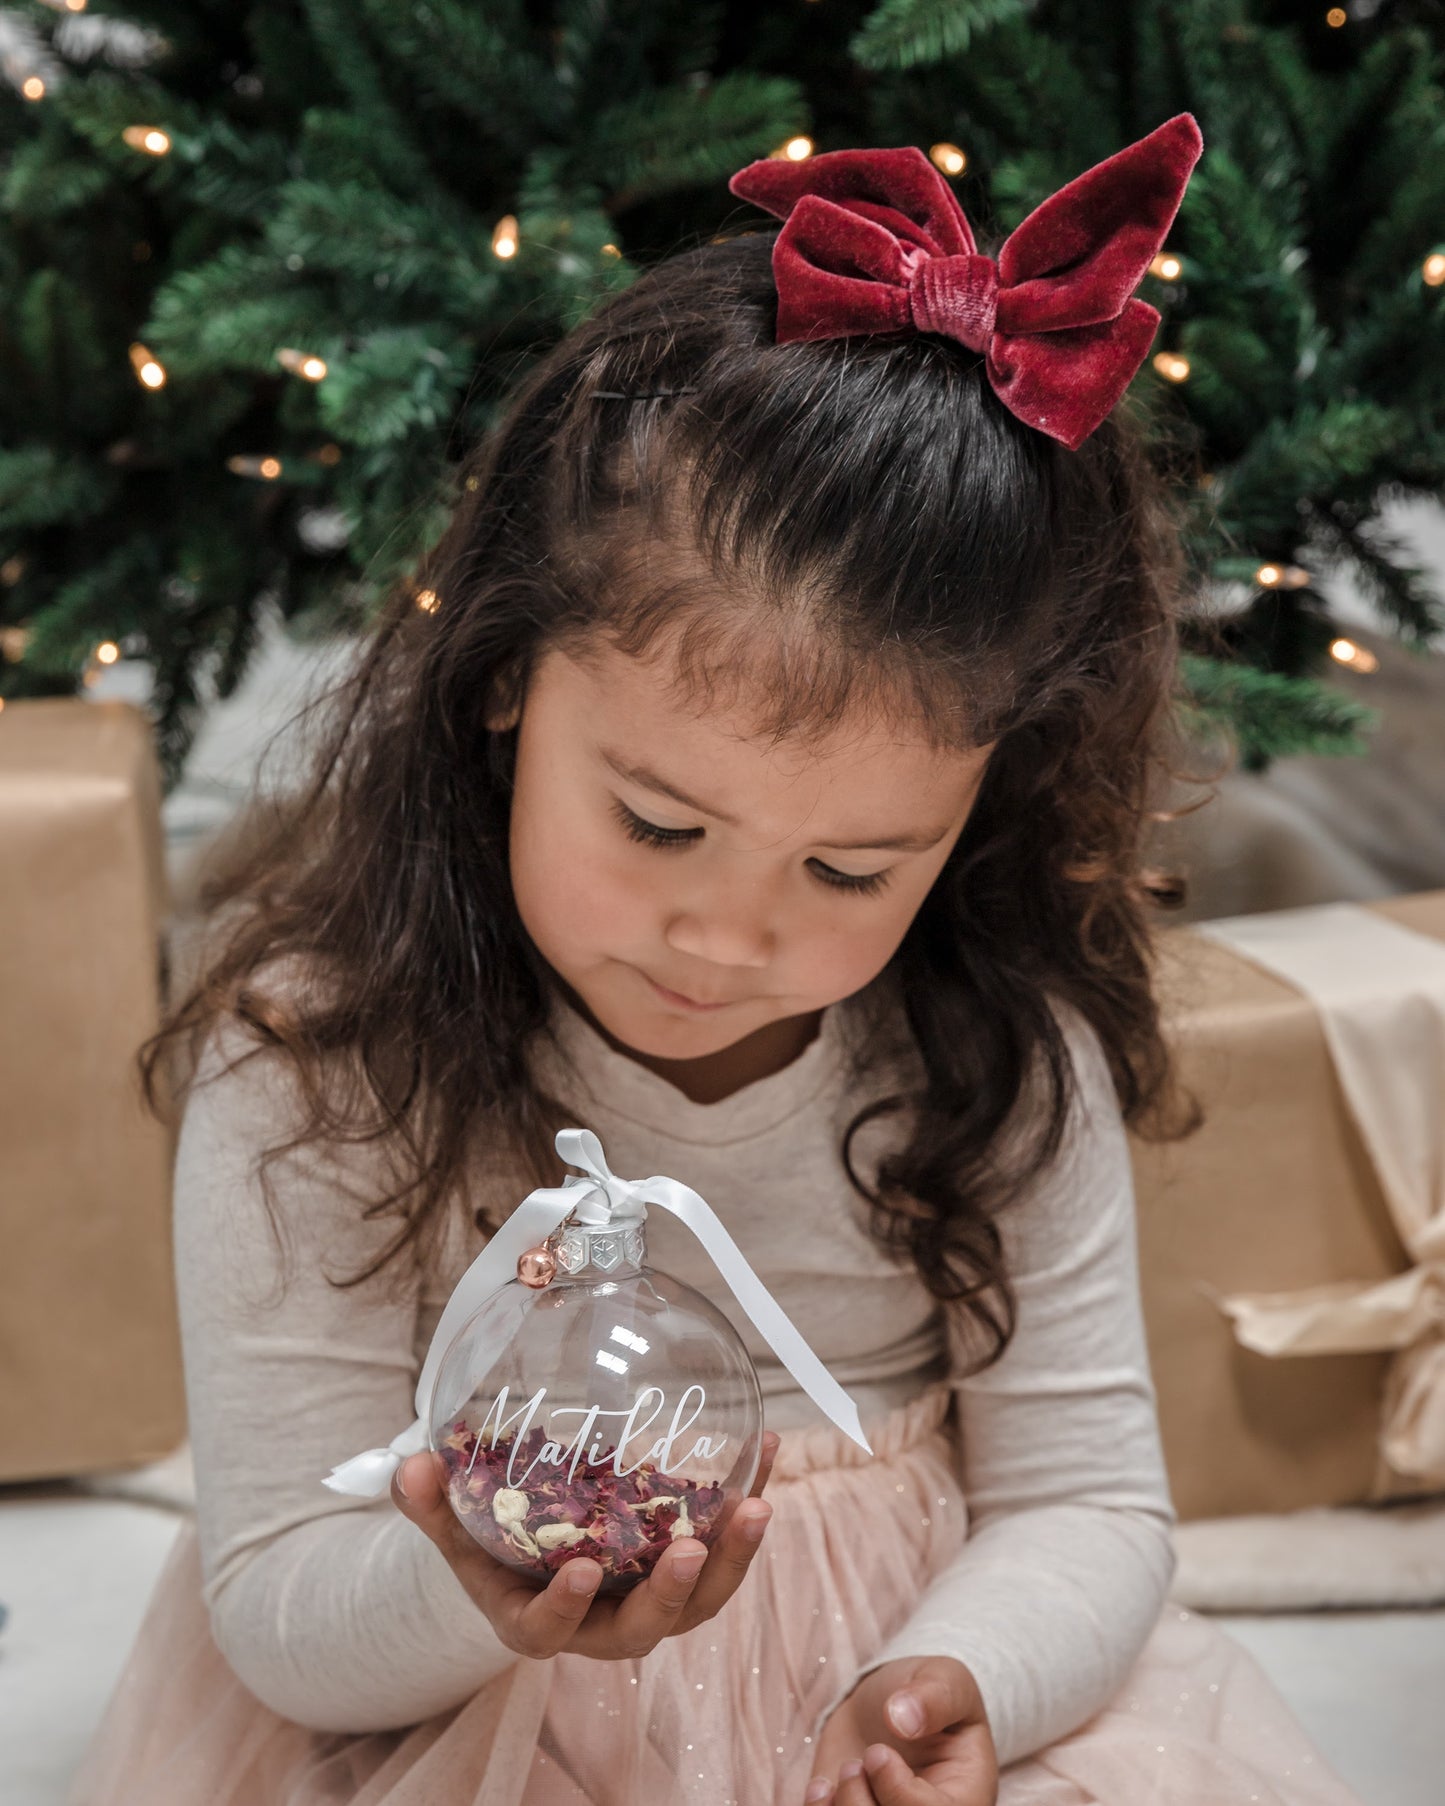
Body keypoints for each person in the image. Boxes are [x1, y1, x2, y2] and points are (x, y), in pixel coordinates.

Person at [68, 118, 1367, 1806]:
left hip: (886, 1696)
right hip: (461, 1715)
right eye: (660, 825)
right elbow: (276, 1603)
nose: (726, 934)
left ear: (975, 815)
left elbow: (1088, 1502)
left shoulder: (993, 1062)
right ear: (504, 679)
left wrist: (954, 1682)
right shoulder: (321, 1061)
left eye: (847, 866)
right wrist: (469, 1583)